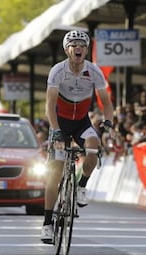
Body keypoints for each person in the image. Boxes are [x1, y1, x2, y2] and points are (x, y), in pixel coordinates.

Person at [40, 30, 114, 243]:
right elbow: (50, 104)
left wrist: (108, 121)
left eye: (82, 44)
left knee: (93, 145)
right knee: (54, 172)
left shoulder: (94, 71)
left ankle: (81, 185)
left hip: (81, 122)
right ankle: (46, 224)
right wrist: (55, 131)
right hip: (60, 122)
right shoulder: (57, 71)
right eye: (73, 44)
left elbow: (106, 103)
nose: (78, 48)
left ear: (86, 49)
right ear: (67, 50)